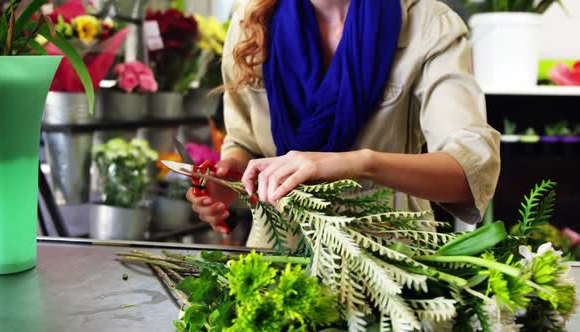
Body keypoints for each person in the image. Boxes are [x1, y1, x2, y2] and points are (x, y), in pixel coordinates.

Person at [187, 0, 501, 249]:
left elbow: (470, 173)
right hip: (280, 254)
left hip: (392, 260)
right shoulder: (251, 23)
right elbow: (245, 144)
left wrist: (360, 163)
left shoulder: (428, 23)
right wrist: (226, 182)